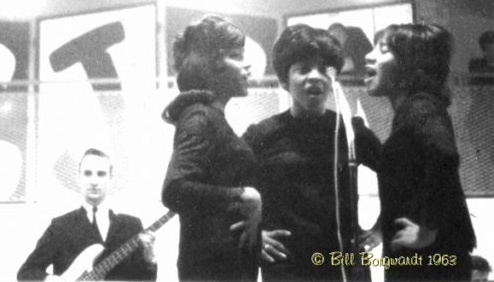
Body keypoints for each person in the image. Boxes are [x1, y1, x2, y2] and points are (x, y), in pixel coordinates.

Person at [243, 24, 380, 281]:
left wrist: (380, 230)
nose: (314, 76)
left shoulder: (351, 132)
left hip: (345, 263)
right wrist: (256, 234)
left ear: (333, 78)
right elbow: (226, 187)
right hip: (287, 266)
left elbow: (402, 176)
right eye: (303, 69)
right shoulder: (261, 135)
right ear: (284, 81)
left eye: (323, 70)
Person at [364, 23, 476, 281]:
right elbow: (410, 183)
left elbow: (444, 155)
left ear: (409, 65)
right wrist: (382, 228)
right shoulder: (413, 110)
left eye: (382, 50)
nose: (369, 56)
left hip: (431, 259)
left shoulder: (420, 107)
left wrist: (427, 228)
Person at [161, 15, 261, 282]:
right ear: (214, 64)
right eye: (237, 56)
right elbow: (174, 189)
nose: (247, 65)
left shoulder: (209, 117)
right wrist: (244, 196)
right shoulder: (201, 117)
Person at [17, 148, 157, 281]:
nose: (94, 181)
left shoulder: (131, 225)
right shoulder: (60, 227)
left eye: (101, 174)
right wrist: (52, 280)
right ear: (78, 178)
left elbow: (146, 279)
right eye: (87, 173)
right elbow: (26, 272)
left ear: (111, 179)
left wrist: (150, 258)